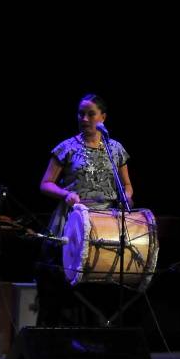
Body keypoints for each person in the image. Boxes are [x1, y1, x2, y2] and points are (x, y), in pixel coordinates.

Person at [36, 94, 133, 327]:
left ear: (103, 118)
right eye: (81, 114)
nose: (85, 118)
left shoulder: (116, 149)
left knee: (100, 285)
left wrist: (126, 197)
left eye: (91, 114)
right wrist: (65, 194)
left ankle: (100, 335)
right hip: (74, 220)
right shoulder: (66, 148)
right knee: (62, 281)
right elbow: (45, 183)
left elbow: (127, 185)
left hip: (106, 224)